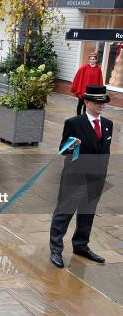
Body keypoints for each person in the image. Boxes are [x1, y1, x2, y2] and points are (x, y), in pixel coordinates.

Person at [49, 85, 112, 268]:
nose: (101, 106)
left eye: (103, 102)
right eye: (97, 102)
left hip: (96, 178)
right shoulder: (74, 123)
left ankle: (81, 246)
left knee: (87, 213)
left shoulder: (108, 124)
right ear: (86, 102)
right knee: (64, 213)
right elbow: (63, 150)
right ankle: (56, 249)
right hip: (75, 177)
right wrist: (72, 145)